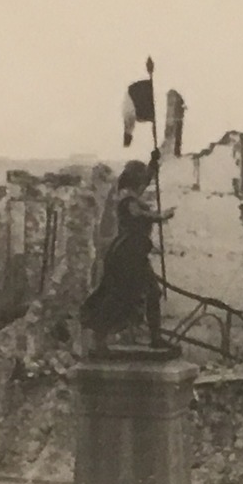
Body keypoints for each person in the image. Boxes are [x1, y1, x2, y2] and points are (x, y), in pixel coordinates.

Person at [79, 151, 175, 354]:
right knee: (120, 297)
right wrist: (160, 216)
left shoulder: (132, 193)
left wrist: (153, 162)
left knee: (151, 292)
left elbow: (147, 180)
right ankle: (100, 337)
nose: (144, 181)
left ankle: (155, 338)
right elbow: (137, 214)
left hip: (136, 252)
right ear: (134, 178)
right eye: (141, 176)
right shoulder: (126, 197)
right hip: (126, 254)